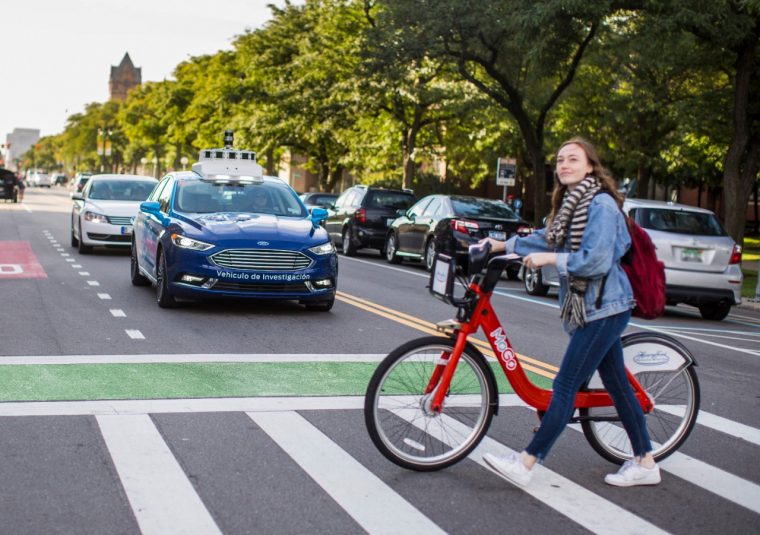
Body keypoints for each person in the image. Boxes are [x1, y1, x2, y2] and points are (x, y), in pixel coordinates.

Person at [481, 137, 660, 488]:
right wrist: (502, 245)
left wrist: (551, 261)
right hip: (590, 308)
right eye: (560, 160)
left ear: (591, 166)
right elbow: (549, 237)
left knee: (564, 386)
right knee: (619, 387)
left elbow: (595, 260)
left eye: (573, 159)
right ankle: (647, 461)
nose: (564, 165)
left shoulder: (602, 206)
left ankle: (527, 461)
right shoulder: (571, 206)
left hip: (604, 309)